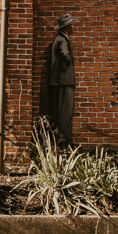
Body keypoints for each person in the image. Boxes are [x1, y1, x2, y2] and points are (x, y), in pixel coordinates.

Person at [49, 13, 76, 146]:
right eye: (71, 25)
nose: (73, 27)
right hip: (64, 81)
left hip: (60, 81)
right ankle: (66, 141)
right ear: (66, 27)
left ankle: (63, 139)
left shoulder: (60, 38)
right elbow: (65, 55)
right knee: (65, 113)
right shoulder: (62, 40)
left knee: (62, 113)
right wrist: (66, 70)